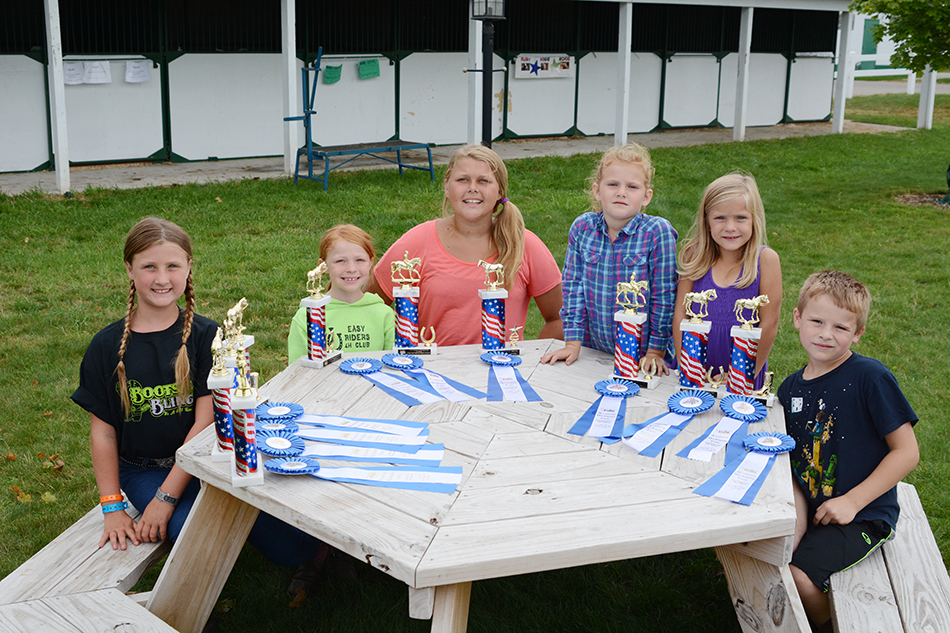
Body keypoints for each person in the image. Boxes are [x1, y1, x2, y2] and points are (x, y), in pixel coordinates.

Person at [71, 218, 325, 602]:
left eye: (173, 266)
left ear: (189, 267)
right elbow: (103, 432)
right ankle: (193, 609)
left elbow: (206, 424)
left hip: (209, 458)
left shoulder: (208, 338)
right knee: (188, 531)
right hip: (143, 468)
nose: (162, 278)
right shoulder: (106, 346)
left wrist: (165, 498)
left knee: (291, 549)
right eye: (149, 266)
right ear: (129, 269)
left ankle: (321, 556)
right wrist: (113, 505)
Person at [778, 270, 919, 630]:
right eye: (817, 321)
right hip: (812, 508)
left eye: (841, 328)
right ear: (797, 319)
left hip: (863, 514)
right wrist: (797, 515)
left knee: (795, 575)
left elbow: (906, 452)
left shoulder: (870, 376)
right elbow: (790, 462)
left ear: (858, 333)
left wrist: (853, 502)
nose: (826, 334)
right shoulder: (789, 389)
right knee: (763, 552)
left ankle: (826, 622)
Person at [365, 144, 563, 346]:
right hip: (430, 374)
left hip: (503, 373)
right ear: (447, 187)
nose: (472, 188)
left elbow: (559, 318)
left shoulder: (524, 244)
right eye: (462, 180)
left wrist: (535, 364)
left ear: (499, 192)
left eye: (483, 181)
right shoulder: (416, 241)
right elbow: (364, 306)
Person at [540, 143, 676, 371]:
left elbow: (665, 297)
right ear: (597, 190)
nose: (621, 192)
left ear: (646, 196)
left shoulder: (657, 233)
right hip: (593, 353)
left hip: (642, 357)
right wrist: (572, 343)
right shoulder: (582, 228)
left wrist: (655, 351)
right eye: (612, 184)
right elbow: (573, 289)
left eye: (632, 187)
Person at [672, 172, 781, 388]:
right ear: (707, 221)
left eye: (740, 218)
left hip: (743, 373)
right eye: (720, 218)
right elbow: (680, 315)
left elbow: (770, 325)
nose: (730, 227)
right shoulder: (694, 257)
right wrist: (689, 366)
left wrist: (742, 374)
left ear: (754, 219)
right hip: (694, 370)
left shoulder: (766, 261)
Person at [288, 224, 395, 362]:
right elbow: (297, 372)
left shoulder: (385, 315)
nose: (351, 268)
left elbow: (394, 367)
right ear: (323, 266)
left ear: (370, 263)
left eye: (359, 260)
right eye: (340, 261)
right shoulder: (308, 317)